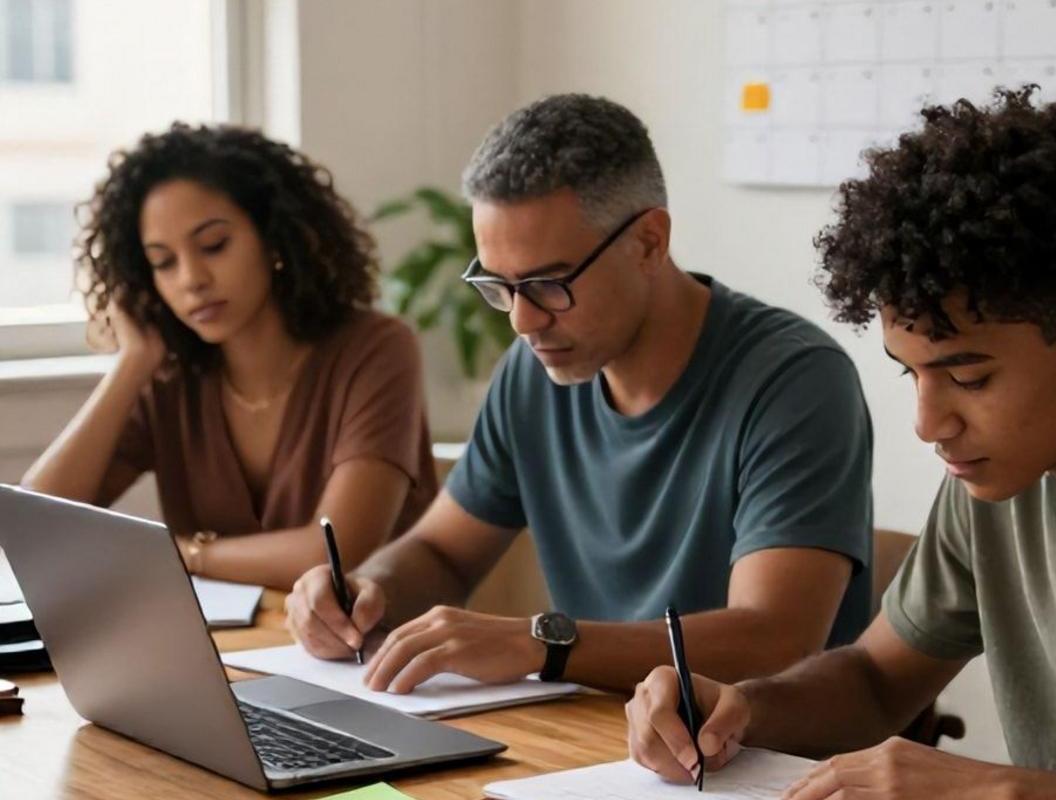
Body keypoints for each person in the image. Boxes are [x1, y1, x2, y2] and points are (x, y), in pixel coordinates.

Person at [626, 87, 1056, 797]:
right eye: (912, 374)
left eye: (968, 375)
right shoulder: (996, 486)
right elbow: (873, 681)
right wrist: (747, 705)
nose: (929, 425)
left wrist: (994, 789)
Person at [285, 94, 874, 694]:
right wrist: (364, 590)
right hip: (594, 739)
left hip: (751, 763)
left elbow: (775, 639)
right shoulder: (532, 372)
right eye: (499, 285)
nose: (521, 320)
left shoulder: (795, 381)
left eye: (546, 283)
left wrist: (543, 643)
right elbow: (443, 553)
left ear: (648, 242)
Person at [22, 123, 437, 590]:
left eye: (214, 245)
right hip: (232, 652)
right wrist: (131, 363)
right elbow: (36, 524)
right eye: (163, 262)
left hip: (369, 653)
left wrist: (185, 553)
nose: (191, 279)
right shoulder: (170, 378)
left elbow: (334, 553)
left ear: (275, 237)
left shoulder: (376, 349)